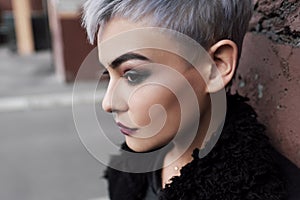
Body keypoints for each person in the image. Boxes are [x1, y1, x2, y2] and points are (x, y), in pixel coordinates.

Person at [81, 0, 299, 199]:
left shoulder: (271, 191)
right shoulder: (127, 176)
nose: (108, 103)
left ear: (216, 66)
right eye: (108, 75)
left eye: (132, 75)